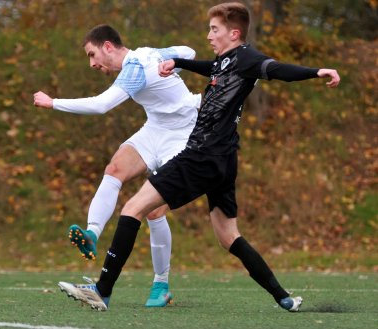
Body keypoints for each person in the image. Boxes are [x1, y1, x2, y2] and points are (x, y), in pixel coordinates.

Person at [58, 2, 340, 312]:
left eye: (214, 30)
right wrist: (175, 60)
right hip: (224, 160)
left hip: (201, 156)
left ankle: (102, 290)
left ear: (234, 33)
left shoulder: (245, 58)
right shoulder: (225, 61)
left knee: (133, 208)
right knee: (229, 236)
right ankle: (283, 297)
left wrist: (316, 72)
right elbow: (207, 65)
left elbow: (275, 69)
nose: (209, 36)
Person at [34, 24, 202, 307]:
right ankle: (91, 234)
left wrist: (54, 103)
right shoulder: (148, 54)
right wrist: (172, 62)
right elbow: (189, 50)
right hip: (155, 129)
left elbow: (102, 105)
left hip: (183, 135)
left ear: (108, 47)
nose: (92, 64)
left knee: (155, 209)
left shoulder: (135, 67)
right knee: (114, 169)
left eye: (92, 55)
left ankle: (161, 283)